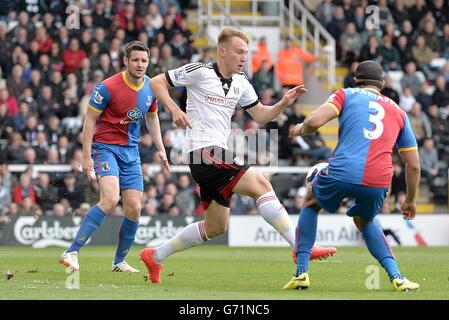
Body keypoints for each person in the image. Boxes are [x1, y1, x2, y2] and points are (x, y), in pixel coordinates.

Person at [141, 27, 336, 284]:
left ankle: (154, 256)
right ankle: (302, 247)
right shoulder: (199, 71)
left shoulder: (242, 82)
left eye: (246, 52)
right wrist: (175, 110)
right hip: (202, 150)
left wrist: (283, 102)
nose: (244, 56)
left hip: (212, 156)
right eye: (239, 51)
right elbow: (156, 82)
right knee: (262, 184)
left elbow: (262, 115)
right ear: (223, 51)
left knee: (216, 227)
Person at [284, 60, 421, 292]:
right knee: (365, 221)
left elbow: (315, 121)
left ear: (355, 79)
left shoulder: (345, 94)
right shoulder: (399, 112)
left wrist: (301, 128)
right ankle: (397, 277)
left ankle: (301, 274)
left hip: (343, 171)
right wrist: (410, 200)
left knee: (310, 203)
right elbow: (414, 166)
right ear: (383, 84)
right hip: (378, 180)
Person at [58, 41, 170, 273]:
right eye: (136, 60)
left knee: (134, 208)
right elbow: (89, 120)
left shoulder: (151, 87)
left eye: (144, 60)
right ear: (126, 61)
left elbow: (152, 117)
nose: (140, 65)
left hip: (131, 152)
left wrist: (161, 148)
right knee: (109, 199)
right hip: (105, 148)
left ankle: (119, 261)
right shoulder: (107, 87)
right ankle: (72, 251)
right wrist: (86, 155)